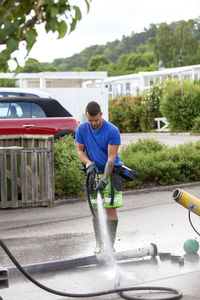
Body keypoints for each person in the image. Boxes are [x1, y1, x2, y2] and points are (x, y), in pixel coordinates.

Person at [75, 101, 124, 254]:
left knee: (110, 209)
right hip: (93, 172)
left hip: (111, 173)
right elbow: (80, 151)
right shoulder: (82, 129)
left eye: (96, 120)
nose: (94, 123)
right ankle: (99, 244)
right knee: (95, 210)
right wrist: (88, 163)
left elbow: (111, 158)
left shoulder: (112, 130)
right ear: (86, 117)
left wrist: (104, 180)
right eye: (90, 120)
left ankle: (110, 245)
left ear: (101, 115)